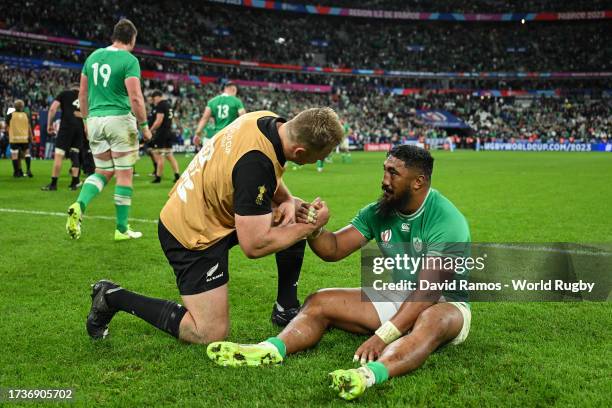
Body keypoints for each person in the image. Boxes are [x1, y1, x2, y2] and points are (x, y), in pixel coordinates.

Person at [207, 145, 471, 401]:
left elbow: (427, 293)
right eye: (384, 170)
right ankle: (269, 350)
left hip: (445, 302)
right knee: (319, 301)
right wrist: (315, 229)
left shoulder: (447, 220)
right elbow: (333, 249)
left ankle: (367, 376)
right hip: (402, 296)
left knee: (431, 320)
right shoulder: (379, 211)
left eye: (393, 173)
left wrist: (382, 335)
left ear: (418, 182)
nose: (384, 180)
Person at [85, 107, 345, 345]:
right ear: (300, 152)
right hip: (190, 232)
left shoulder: (266, 120)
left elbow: (264, 174)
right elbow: (254, 245)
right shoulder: (256, 165)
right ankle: (111, 296)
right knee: (209, 332)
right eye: (321, 156)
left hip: (210, 210)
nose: (321, 160)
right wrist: (310, 228)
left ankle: (285, 308)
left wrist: (287, 200)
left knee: (295, 212)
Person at [66, 19, 152, 241]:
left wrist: (86, 121)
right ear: (132, 38)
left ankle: (79, 204)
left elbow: (82, 95)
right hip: (120, 120)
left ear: (114, 35)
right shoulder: (129, 59)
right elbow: (135, 97)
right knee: (124, 174)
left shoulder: (92, 57)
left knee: (102, 171)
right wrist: (144, 126)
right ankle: (121, 229)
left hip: (94, 119)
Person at [42, 86, 86, 191]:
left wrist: (49, 124)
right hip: (79, 128)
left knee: (59, 154)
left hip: (66, 127)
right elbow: (88, 114)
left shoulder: (65, 93)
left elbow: (53, 109)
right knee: (74, 153)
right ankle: (75, 181)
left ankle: (53, 184)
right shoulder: (85, 97)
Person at [149, 90, 180, 183]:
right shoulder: (169, 104)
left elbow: (159, 120)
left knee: (160, 156)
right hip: (169, 132)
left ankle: (158, 177)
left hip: (161, 133)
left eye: (154, 99)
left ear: (158, 96)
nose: (154, 101)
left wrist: (150, 130)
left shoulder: (161, 105)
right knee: (169, 155)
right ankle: (177, 175)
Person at [7, 100, 33, 177]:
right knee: (27, 153)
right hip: (24, 138)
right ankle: (28, 170)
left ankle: (16, 172)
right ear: (22, 106)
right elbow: (29, 126)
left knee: (14, 155)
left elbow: (7, 125)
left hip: (14, 138)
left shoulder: (10, 114)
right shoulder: (26, 114)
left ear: (15, 106)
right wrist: (31, 136)